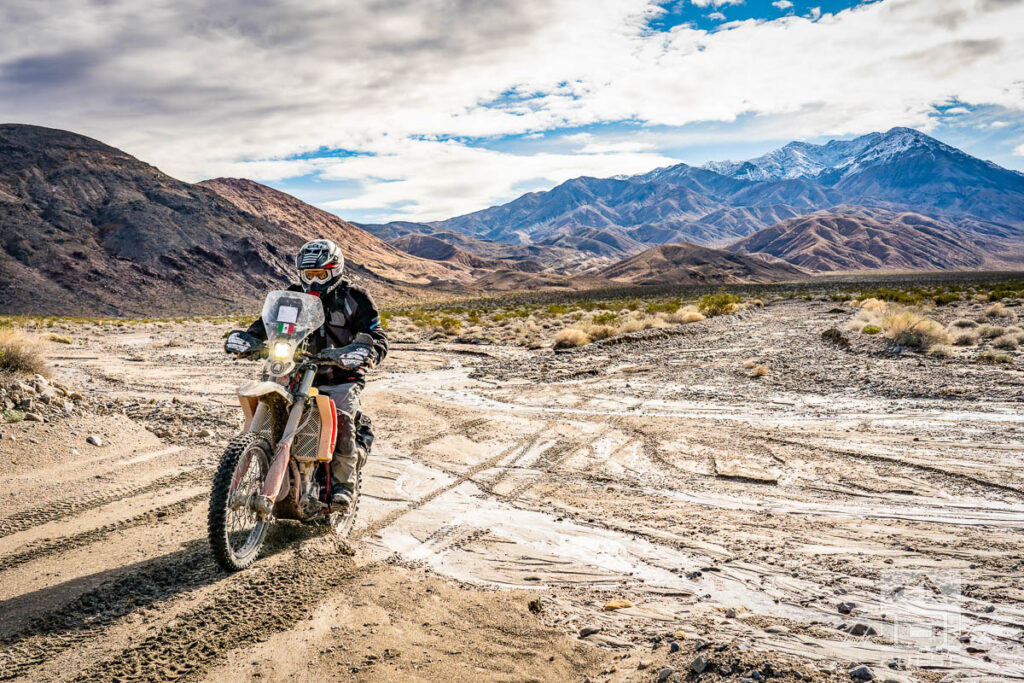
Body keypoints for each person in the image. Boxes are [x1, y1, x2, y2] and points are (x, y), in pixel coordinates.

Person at [223, 239, 388, 508]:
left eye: (320, 274)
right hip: (294, 371)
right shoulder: (291, 296)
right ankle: (242, 470)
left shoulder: (355, 298)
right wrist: (248, 339)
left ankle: (343, 487)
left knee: (342, 419)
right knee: (268, 409)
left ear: (335, 271)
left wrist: (365, 351)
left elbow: (376, 335)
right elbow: (265, 326)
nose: (314, 281)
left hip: (339, 376)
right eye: (308, 275)